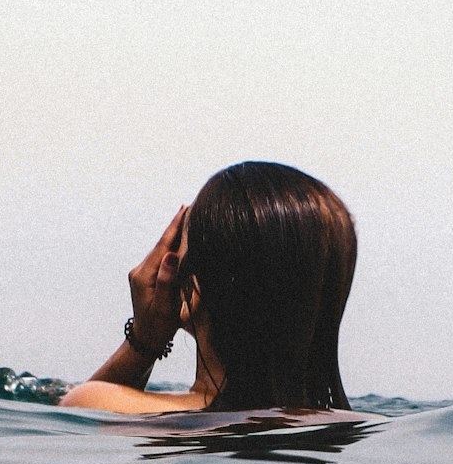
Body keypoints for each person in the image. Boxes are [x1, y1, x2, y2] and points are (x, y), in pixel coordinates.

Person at [60, 161, 358, 415]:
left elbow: (72, 428)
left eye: (178, 245)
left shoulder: (97, 402)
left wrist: (143, 342)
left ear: (193, 287)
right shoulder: (354, 424)